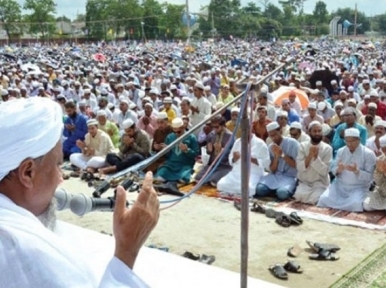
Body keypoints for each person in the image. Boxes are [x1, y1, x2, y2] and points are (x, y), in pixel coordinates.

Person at [0, 97, 159, 287]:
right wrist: (127, 249)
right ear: (27, 172)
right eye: (58, 165)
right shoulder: (21, 248)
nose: (61, 179)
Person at [317, 128, 376, 212]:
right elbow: (333, 170)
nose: (349, 144)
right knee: (324, 198)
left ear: (358, 140)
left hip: (358, 188)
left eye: (352, 141)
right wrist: (338, 170)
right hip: (340, 187)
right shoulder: (341, 151)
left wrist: (357, 171)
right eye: (347, 141)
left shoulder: (368, 154)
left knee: (356, 203)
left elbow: (370, 177)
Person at [255, 121, 299, 201]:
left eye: (275, 134)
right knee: (259, 189)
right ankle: (275, 190)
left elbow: (297, 165)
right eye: (271, 136)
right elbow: (272, 169)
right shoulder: (271, 147)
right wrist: (276, 157)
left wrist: (282, 155)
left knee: (282, 193)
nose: (273, 138)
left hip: (290, 177)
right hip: (275, 176)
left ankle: (279, 191)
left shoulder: (293, 143)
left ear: (280, 131)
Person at [217, 133, 270, 197]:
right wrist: (234, 159)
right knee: (221, 184)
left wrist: (251, 159)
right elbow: (231, 158)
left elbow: (266, 162)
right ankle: (235, 194)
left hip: (252, 173)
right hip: (236, 172)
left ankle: (238, 194)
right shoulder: (237, 142)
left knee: (249, 189)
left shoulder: (260, 143)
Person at [293, 121, 333, 204]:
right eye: (314, 131)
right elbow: (299, 167)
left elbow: (325, 171)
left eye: (319, 131)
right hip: (305, 183)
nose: (317, 133)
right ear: (309, 132)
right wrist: (310, 156)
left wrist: (315, 158)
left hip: (320, 183)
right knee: (299, 197)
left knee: (316, 200)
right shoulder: (302, 146)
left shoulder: (327, 148)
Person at [155, 118, 199, 184]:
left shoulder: (191, 137)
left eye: (178, 132)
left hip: (185, 165)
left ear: (183, 128)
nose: (176, 134)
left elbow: (196, 154)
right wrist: (166, 150)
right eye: (174, 131)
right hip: (171, 165)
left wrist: (187, 150)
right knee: (160, 176)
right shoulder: (170, 137)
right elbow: (168, 156)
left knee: (184, 179)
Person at [194, 115, 233, 187]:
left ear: (223, 125)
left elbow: (232, 154)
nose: (215, 129)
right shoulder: (211, 134)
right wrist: (209, 150)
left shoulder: (230, 136)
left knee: (213, 181)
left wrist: (221, 150)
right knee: (197, 179)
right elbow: (209, 152)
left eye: (217, 127)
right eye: (213, 127)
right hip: (213, 164)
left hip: (225, 165)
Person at [363, 135, 386, 211]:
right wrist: (379, 172)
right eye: (384, 150)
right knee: (366, 205)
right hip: (383, 192)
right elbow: (378, 182)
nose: (385, 152)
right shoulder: (381, 159)